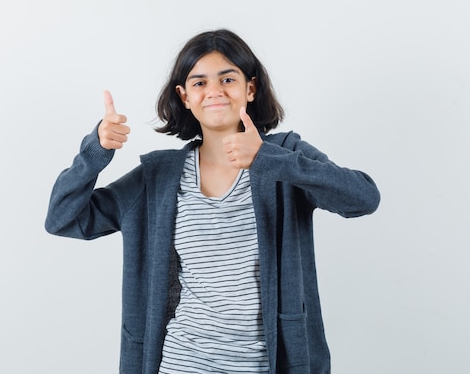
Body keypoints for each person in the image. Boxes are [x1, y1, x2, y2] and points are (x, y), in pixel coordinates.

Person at [45, 29, 380, 374]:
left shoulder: (286, 155)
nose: (215, 91)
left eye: (228, 79)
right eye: (200, 83)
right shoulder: (157, 177)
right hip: (181, 362)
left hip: (266, 364)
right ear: (184, 96)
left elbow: (363, 198)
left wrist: (267, 158)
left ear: (250, 88)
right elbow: (64, 219)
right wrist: (96, 152)